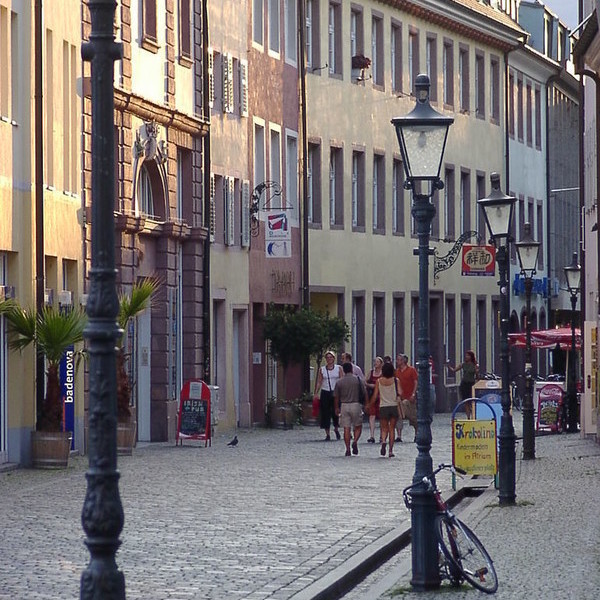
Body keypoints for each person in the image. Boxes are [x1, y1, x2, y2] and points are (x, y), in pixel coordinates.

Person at [369, 361, 402, 458]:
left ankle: (383, 441)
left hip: (383, 406)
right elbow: (400, 392)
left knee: (384, 428)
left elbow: (375, 396)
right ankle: (390, 451)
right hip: (393, 406)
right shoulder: (396, 380)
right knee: (392, 429)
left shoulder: (379, 381)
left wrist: (369, 404)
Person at [334, 362, 366, 456]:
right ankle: (355, 441)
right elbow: (364, 393)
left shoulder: (339, 381)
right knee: (358, 426)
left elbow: (336, 396)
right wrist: (367, 404)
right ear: (352, 369)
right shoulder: (358, 380)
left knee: (346, 428)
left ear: (343, 370)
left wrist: (336, 407)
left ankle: (347, 449)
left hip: (344, 405)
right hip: (356, 404)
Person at [313, 350, 343, 440]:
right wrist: (316, 392)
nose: (329, 359)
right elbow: (319, 381)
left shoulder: (338, 368)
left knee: (335, 411)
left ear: (334, 358)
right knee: (325, 412)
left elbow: (341, 380)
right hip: (325, 391)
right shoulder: (322, 369)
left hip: (335, 392)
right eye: (327, 357)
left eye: (331, 357)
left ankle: (336, 428)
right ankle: (327, 433)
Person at [447, 350, 479, 418]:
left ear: (471, 356)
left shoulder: (474, 365)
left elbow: (477, 376)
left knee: (472, 401)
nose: (466, 357)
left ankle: (473, 415)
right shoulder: (463, 364)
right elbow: (454, 370)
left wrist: (477, 373)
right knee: (466, 402)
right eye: (466, 355)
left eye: (468, 355)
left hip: (471, 384)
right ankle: (468, 417)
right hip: (464, 384)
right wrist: (448, 366)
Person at [395, 353, 418, 442]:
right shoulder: (396, 372)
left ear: (403, 361)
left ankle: (417, 433)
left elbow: (415, 382)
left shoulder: (411, 370)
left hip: (409, 398)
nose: (397, 361)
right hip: (400, 398)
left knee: (413, 417)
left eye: (398, 359)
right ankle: (399, 435)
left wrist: (413, 394)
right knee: (398, 416)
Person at [365, 357, 383, 443]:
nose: (375, 363)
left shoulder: (383, 373)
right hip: (372, 396)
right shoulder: (371, 372)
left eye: (377, 362)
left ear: (381, 363)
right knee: (372, 416)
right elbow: (365, 382)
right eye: (374, 361)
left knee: (381, 417)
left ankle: (381, 436)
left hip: (381, 397)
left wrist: (375, 386)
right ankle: (372, 436)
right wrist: (370, 385)